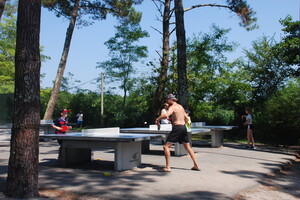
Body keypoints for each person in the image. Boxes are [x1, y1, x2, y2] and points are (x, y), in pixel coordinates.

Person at [155, 94, 200, 172]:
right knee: (188, 147)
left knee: (166, 147)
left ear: (170, 99)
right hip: (183, 128)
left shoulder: (173, 107)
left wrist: (158, 119)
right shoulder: (181, 107)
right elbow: (186, 118)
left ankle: (168, 167)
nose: (166, 102)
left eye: (167, 100)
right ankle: (196, 165)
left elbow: (166, 115)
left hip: (177, 128)